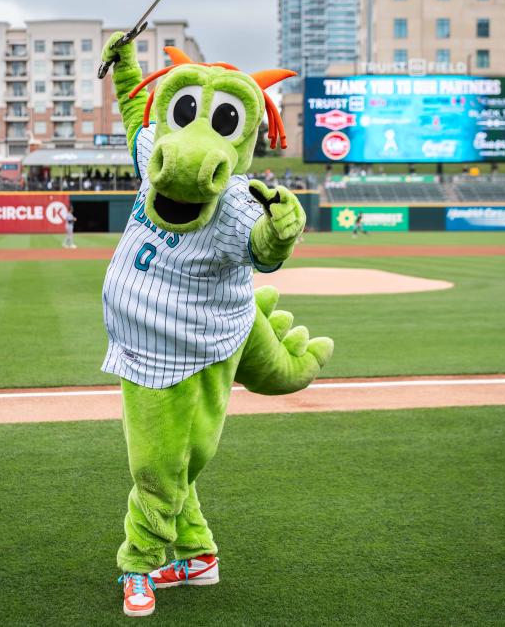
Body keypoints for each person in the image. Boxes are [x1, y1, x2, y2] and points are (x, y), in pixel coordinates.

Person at [100, 33, 334, 619]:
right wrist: (125, 64)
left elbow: (263, 249)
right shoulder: (155, 150)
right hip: (141, 339)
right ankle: (199, 556)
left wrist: (282, 229)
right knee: (173, 456)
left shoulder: (236, 205)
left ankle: (140, 563)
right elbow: (135, 112)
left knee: (159, 464)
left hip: (190, 346)